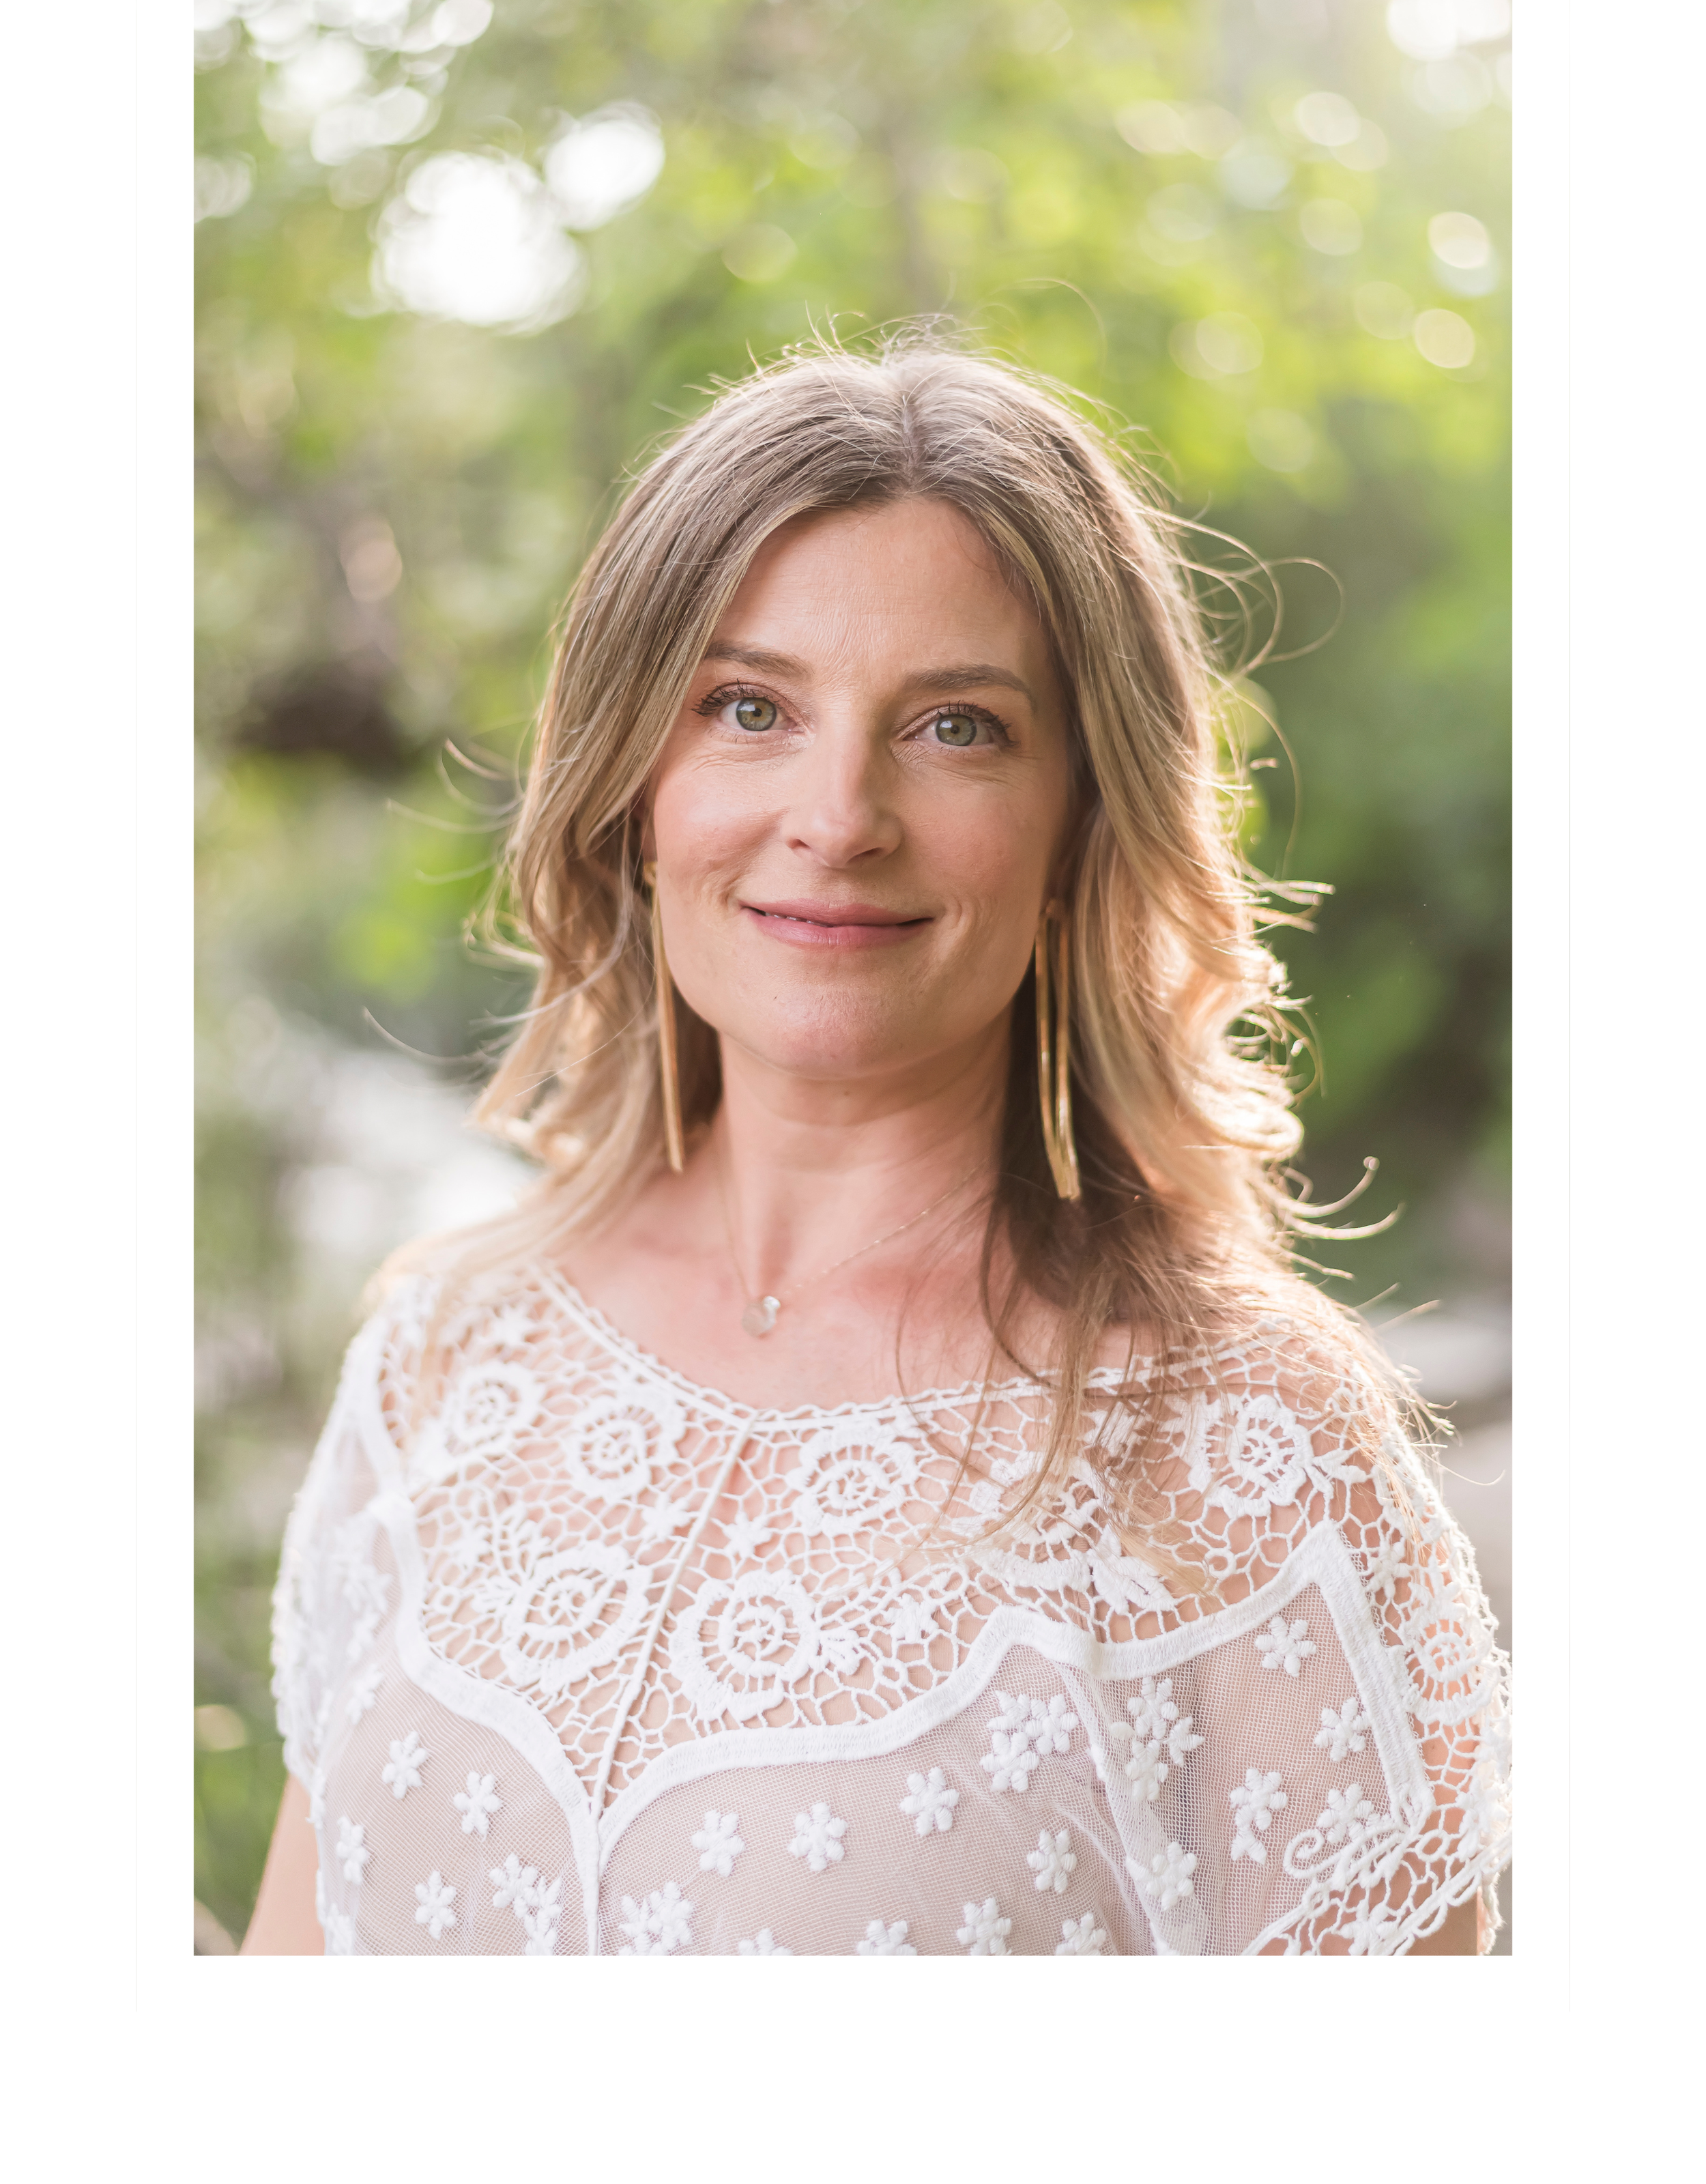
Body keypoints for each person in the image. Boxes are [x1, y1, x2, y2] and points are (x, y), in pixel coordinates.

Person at [244, 339, 1511, 1958]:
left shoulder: (1246, 1457)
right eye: (748, 707)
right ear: (635, 788)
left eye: (956, 729)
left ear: (1078, 827)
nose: (838, 815)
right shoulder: (442, 1350)